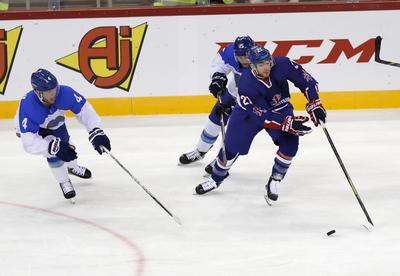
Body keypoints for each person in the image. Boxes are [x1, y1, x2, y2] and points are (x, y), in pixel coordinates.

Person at [195, 45, 327, 204]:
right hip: (248, 116)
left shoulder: (283, 63)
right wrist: (287, 122)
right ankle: (216, 179)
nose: (266, 67)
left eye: (268, 62)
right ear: (252, 66)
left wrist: (315, 102)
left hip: (280, 108)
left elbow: (305, 79)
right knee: (230, 149)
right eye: (261, 64)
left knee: (291, 144)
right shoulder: (246, 84)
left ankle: (275, 180)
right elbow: (261, 115)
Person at [14, 69, 111, 200]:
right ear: (38, 92)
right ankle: (64, 181)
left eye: (55, 89)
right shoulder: (29, 107)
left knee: (68, 146)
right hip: (38, 129)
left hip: (56, 123)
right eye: (49, 92)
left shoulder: (64, 93)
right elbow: (29, 142)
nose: (54, 94)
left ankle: (73, 167)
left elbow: (84, 110)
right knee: (54, 153)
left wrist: (95, 130)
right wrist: (53, 147)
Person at [179, 35, 255, 172]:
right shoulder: (229, 52)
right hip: (233, 92)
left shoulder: (263, 61)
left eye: (247, 56)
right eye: (241, 56)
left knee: (234, 131)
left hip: (253, 100)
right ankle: (200, 151)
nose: (244, 60)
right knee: (214, 121)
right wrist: (217, 77)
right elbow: (218, 66)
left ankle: (222, 160)